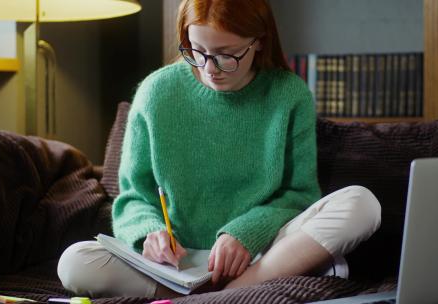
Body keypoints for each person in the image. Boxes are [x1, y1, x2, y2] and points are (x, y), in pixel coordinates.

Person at [57, 0, 381, 298]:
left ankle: (232, 292)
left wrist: (244, 234)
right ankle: (229, 294)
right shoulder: (156, 93)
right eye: (197, 51)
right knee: (74, 262)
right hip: (177, 264)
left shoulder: (288, 95)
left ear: (259, 43)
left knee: (362, 204)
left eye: (226, 54)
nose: (209, 68)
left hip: (262, 253)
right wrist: (149, 233)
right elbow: (132, 196)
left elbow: (298, 194)